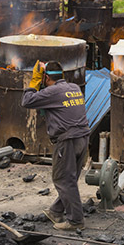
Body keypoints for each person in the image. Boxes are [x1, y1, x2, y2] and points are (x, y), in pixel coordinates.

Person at [21, 60, 89, 231]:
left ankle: (75, 221)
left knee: (63, 179)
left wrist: (34, 81)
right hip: (83, 138)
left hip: (67, 140)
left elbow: (26, 101)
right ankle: (56, 211)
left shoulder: (52, 92)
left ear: (45, 78)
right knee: (70, 178)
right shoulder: (74, 88)